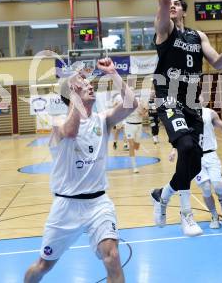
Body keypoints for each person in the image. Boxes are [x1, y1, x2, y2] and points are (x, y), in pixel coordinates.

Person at [150, 0, 222, 236]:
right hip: (168, 98)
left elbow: (218, 63)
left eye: (177, 4)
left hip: (192, 103)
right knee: (186, 146)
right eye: (170, 4)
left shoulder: (198, 36)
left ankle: (162, 195)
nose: (172, 6)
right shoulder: (165, 30)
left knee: (194, 162)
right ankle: (185, 214)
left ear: (184, 10)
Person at [24, 58, 137, 283]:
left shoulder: (102, 120)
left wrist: (114, 73)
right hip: (66, 206)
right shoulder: (57, 123)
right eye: (82, 82)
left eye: (88, 81)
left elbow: (132, 104)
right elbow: (71, 131)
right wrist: (74, 96)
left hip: (98, 203)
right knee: (43, 265)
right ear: (71, 93)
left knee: (112, 256)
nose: (89, 84)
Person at [169, 97, 222, 229]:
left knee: (218, 186)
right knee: (205, 189)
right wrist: (174, 150)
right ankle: (214, 215)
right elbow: (181, 137)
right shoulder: (184, 117)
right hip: (195, 157)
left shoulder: (209, 113)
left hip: (211, 155)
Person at [123, 89, 148, 173]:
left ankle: (132, 155)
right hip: (129, 125)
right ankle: (134, 166)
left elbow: (144, 114)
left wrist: (143, 110)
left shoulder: (140, 102)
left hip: (139, 126)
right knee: (131, 145)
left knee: (136, 147)